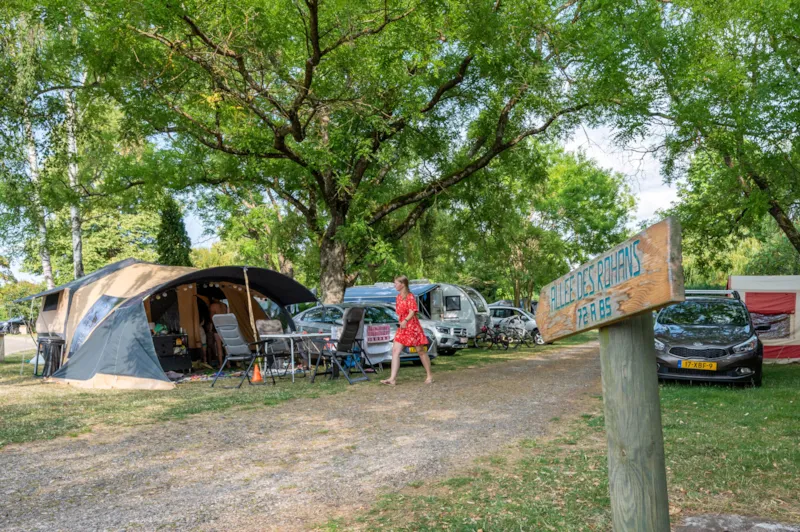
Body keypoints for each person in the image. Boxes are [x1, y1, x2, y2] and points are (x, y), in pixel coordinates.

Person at [381, 275, 433, 386]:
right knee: (395, 351)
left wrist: (405, 320)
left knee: (420, 351)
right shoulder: (398, 297)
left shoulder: (410, 296)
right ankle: (392, 379)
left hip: (412, 326)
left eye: (396, 283)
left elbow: (413, 311)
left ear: (403, 284)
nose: (394, 285)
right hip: (402, 327)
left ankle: (429, 375)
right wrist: (402, 321)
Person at [209, 297, 228, 368]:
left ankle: (221, 364)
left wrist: (210, 328)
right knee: (226, 346)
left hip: (217, 327)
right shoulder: (224, 305)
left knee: (219, 346)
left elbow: (212, 318)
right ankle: (228, 363)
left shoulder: (212, 306)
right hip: (225, 326)